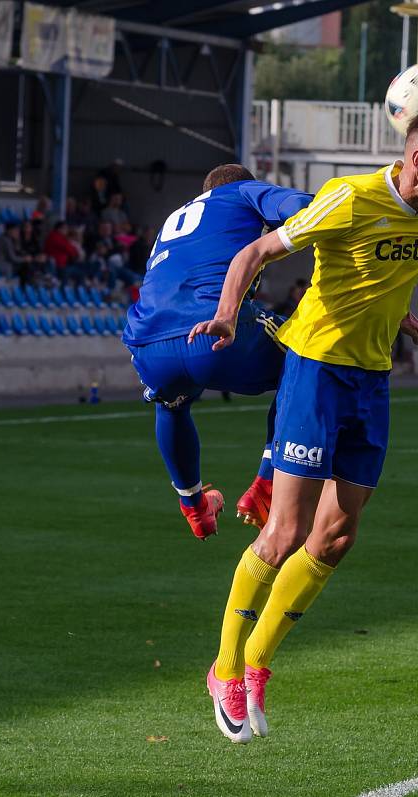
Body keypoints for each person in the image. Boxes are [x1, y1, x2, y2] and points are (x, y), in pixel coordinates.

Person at [189, 106, 418, 744]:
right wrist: (229, 315)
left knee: (336, 538)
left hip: (371, 381)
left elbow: (378, 270)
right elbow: (257, 250)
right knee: (285, 529)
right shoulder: (347, 197)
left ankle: (258, 660)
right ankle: (227, 667)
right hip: (316, 371)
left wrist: (397, 315)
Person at [122, 163, 312, 541]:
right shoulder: (244, 193)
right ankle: (266, 483)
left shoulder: (174, 218)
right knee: (308, 359)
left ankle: (194, 506)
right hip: (215, 328)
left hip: (146, 344)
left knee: (171, 405)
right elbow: (309, 208)